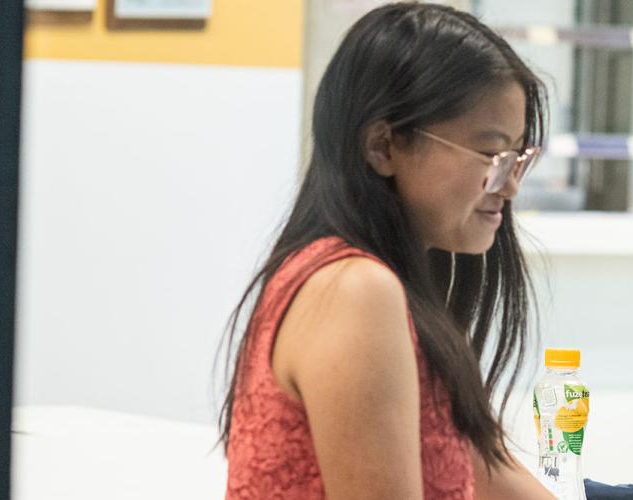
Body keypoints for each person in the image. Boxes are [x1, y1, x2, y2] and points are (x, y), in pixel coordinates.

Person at [218, 4, 554, 499]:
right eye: (491, 154)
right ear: (384, 147)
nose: (508, 187)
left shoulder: (374, 281)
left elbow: (482, 467)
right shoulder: (355, 291)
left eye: (517, 157)